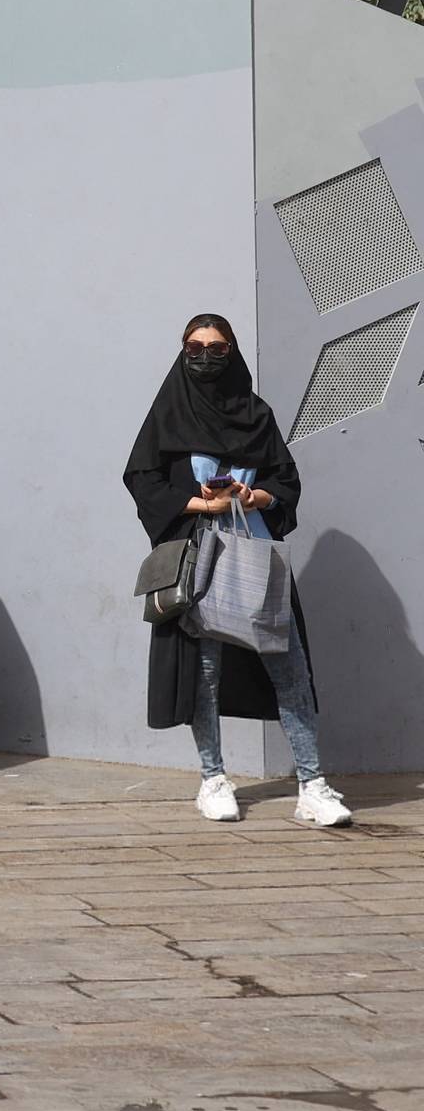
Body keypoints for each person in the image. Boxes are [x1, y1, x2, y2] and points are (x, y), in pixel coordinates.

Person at [124, 313, 350, 826]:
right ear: (183, 350)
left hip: (256, 554)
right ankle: (213, 779)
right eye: (195, 347)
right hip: (199, 556)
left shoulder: (256, 414)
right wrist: (200, 503)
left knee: (289, 668)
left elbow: (285, 482)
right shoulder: (169, 412)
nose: (205, 357)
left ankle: (312, 786)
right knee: (204, 672)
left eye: (217, 348)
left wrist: (253, 495)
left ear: (233, 352)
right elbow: (143, 479)